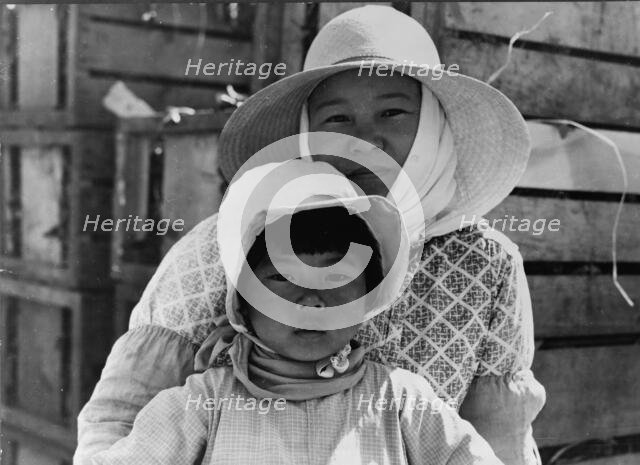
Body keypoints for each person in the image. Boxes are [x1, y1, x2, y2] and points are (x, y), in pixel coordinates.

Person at [75, 6, 545, 465]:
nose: (367, 142)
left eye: (394, 113)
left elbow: (499, 441)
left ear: (434, 124)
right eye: (337, 119)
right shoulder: (223, 247)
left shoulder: (486, 263)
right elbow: (119, 420)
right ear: (306, 131)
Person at [91, 159, 503, 465]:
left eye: (337, 279)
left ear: (368, 297)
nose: (311, 302)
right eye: (281, 280)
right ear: (243, 304)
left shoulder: (401, 399)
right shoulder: (205, 403)